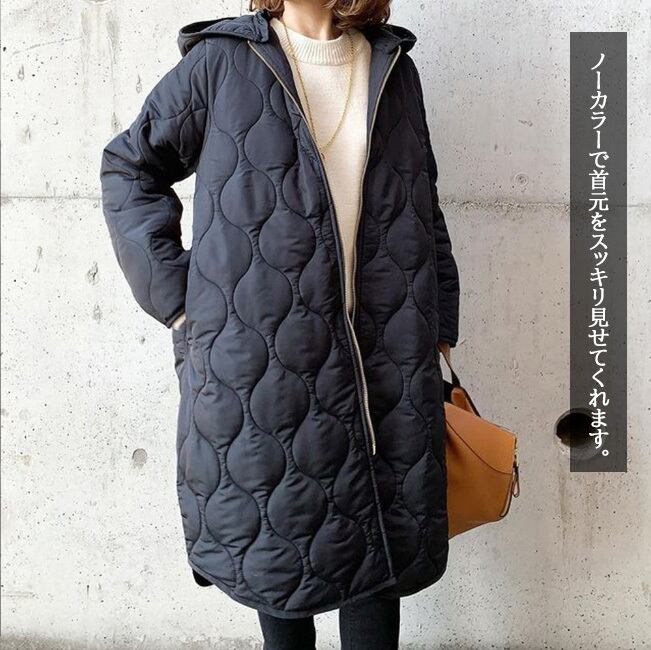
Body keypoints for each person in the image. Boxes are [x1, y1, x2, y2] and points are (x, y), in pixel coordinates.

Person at [100, 0, 460, 648]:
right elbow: (130, 167)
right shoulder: (223, 62)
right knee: (278, 548)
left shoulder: (393, 67)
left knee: (379, 552)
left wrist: (440, 329)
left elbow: (422, 203)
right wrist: (182, 302)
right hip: (262, 362)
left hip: (388, 354)